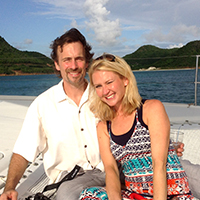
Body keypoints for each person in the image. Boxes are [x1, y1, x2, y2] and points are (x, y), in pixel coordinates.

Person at [0, 29, 184, 200]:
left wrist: (162, 144)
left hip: (122, 168)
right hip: (75, 178)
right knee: (66, 194)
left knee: (189, 172)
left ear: (87, 62)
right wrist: (10, 187)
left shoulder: (105, 95)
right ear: (57, 64)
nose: (73, 66)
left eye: (79, 59)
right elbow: (23, 152)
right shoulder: (43, 105)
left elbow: (135, 123)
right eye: (67, 60)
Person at [79, 54, 194, 200]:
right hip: (135, 194)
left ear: (125, 80)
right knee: (89, 195)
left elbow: (159, 164)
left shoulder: (150, 110)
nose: (105, 91)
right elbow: (111, 170)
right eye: (99, 86)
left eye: (109, 82)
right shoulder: (104, 126)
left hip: (170, 193)